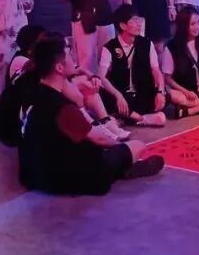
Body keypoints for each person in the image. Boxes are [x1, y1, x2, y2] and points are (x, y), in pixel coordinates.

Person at [19, 37, 164, 195]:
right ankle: (122, 169)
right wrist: (120, 149)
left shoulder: (36, 93)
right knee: (137, 145)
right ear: (59, 67)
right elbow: (100, 139)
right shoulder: (62, 107)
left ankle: (121, 167)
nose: (73, 59)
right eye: (69, 55)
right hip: (63, 178)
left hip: (34, 173)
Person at [98, 4, 168, 126]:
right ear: (123, 25)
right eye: (134, 20)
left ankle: (126, 118)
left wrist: (160, 92)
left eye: (139, 20)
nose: (139, 24)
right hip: (122, 95)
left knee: (166, 95)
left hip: (142, 93)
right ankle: (142, 119)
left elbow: (156, 70)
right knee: (103, 94)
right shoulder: (109, 47)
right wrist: (118, 95)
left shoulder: (147, 44)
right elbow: (102, 77)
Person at [0, 24, 46, 146]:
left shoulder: (33, 59)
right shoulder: (22, 61)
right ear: (32, 42)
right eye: (43, 39)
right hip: (11, 125)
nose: (47, 42)